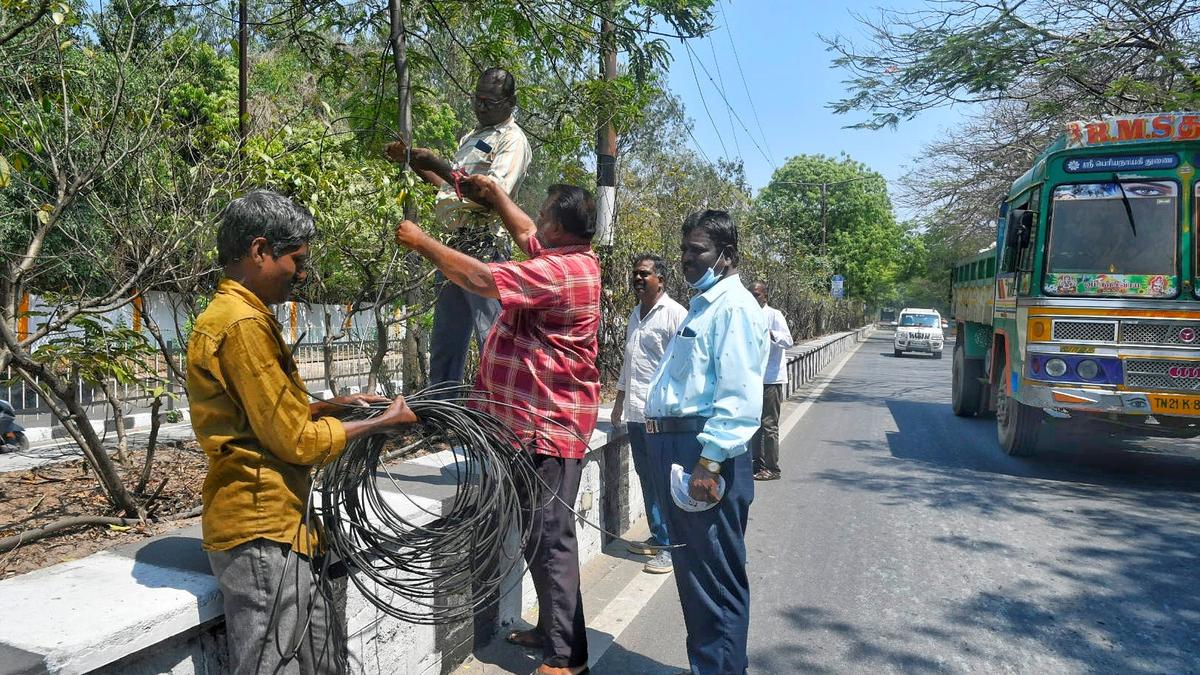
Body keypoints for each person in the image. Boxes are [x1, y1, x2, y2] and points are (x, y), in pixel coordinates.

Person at [188, 190, 418, 675]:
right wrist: (380, 424)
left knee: (323, 658)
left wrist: (333, 407)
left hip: (283, 525)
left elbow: (262, 417)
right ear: (259, 251)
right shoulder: (241, 325)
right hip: (260, 528)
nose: (302, 274)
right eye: (296, 260)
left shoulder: (239, 317)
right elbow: (294, 441)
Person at [394, 174, 599, 675]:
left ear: (560, 229)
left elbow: (483, 280)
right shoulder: (565, 255)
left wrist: (423, 243)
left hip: (548, 429)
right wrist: (498, 196)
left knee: (550, 541)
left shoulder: (561, 272)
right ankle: (552, 631)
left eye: (545, 215)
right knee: (536, 536)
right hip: (528, 428)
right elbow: (526, 230)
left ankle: (567, 658)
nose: (537, 222)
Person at [643, 210, 768, 675]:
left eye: (698, 250)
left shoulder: (734, 308)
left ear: (726, 255)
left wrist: (709, 462)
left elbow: (738, 396)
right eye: (683, 250)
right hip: (678, 450)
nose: (686, 259)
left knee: (714, 582)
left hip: (702, 454)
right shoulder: (704, 305)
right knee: (696, 579)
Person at [385, 67, 532, 391]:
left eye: (490, 102)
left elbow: (491, 195)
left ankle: (499, 410)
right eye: (477, 99)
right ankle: (442, 408)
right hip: (455, 245)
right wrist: (413, 160)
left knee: (490, 336)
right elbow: (449, 188)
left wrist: (436, 162)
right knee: (446, 341)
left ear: (510, 102)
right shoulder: (472, 137)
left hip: (486, 249)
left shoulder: (512, 140)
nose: (481, 107)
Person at [612, 253, 686, 574]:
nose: (638, 279)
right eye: (636, 274)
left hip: (662, 416)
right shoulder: (634, 315)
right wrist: (619, 402)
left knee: (664, 479)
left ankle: (671, 547)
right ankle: (659, 535)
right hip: (636, 413)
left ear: (662, 280)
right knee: (646, 476)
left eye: (644, 274)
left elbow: (685, 367)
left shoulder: (675, 314)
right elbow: (629, 365)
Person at [749, 281, 793, 481]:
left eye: (757, 294)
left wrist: (770, 333)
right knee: (754, 424)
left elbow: (788, 341)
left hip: (771, 378)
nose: (753, 298)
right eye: (750, 294)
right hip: (752, 379)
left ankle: (772, 468)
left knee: (768, 425)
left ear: (765, 296)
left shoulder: (774, 315)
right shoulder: (746, 316)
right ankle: (757, 464)